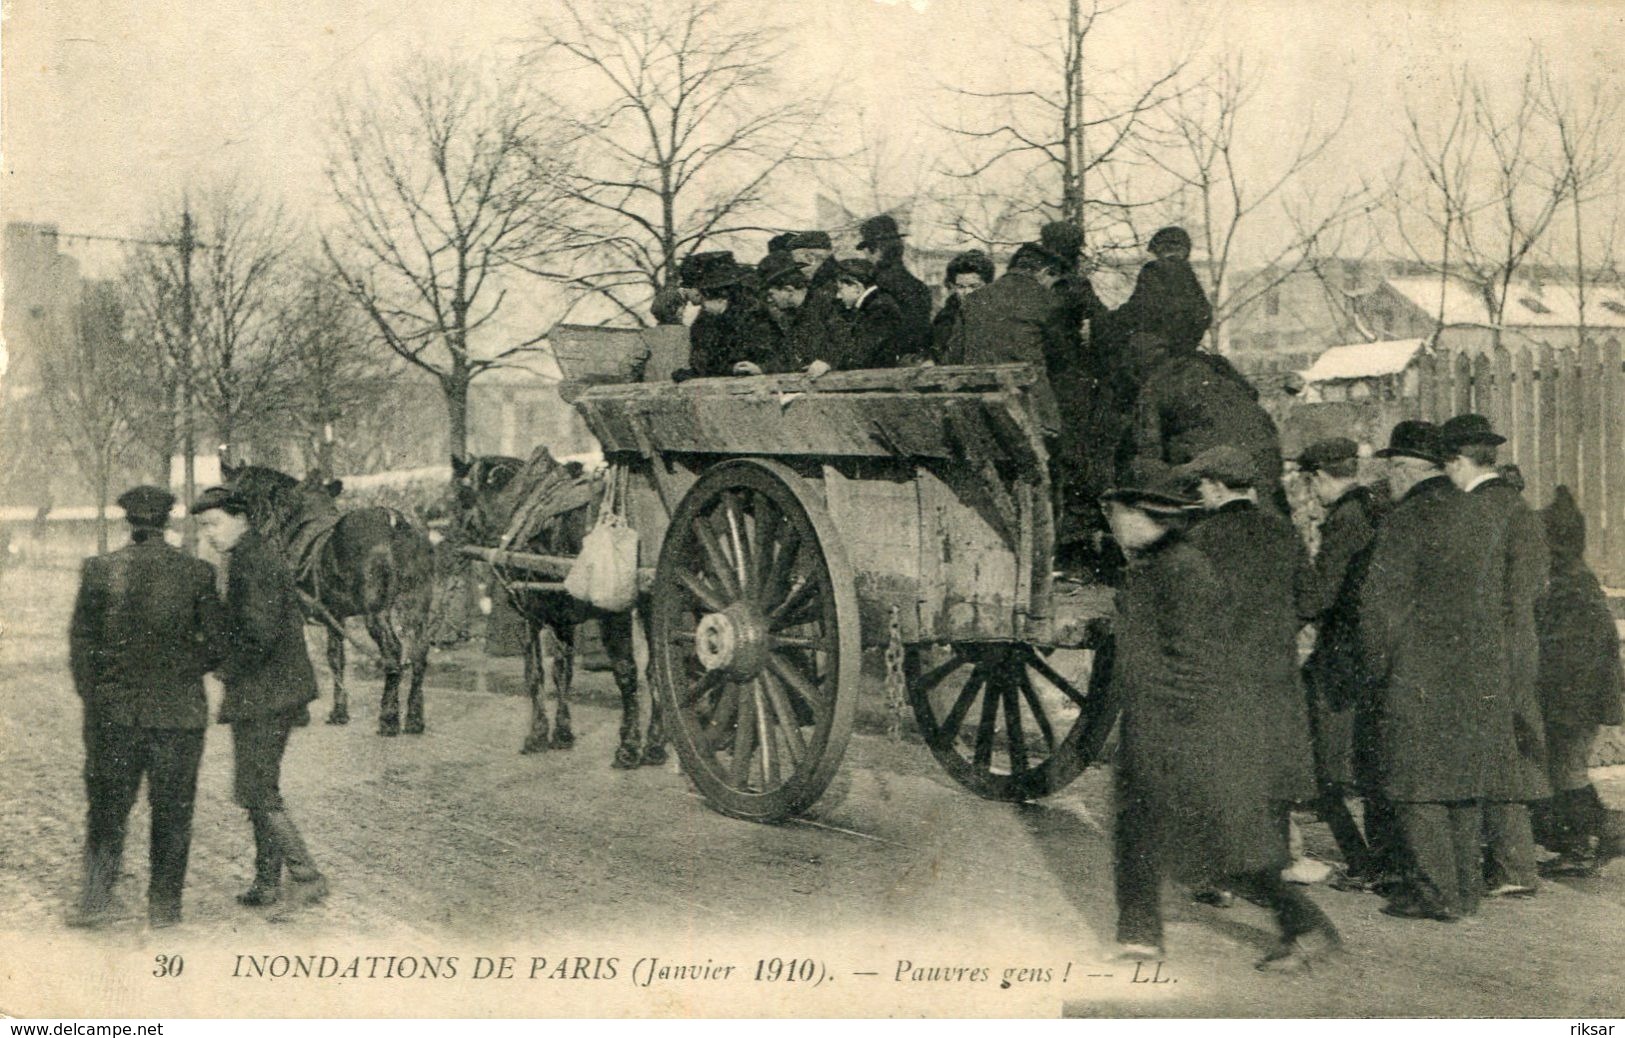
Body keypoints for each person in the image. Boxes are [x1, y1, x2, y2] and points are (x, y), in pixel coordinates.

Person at [1105, 461, 1340, 973]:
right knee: (1162, 834)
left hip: (1185, 727)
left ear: (1152, 516)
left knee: (1220, 847)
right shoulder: (1161, 563)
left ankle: (1304, 926)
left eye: (1122, 511)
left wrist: (1176, 729)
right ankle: (1140, 937)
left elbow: (1196, 658)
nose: (1114, 521)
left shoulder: (1185, 565)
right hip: (1201, 714)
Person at [1360, 421, 1509, 921]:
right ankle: (1465, 890)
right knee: (1461, 783)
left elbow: (1380, 606)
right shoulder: (1480, 512)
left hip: (1417, 668)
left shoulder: (1407, 520)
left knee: (1415, 781)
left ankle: (1435, 892)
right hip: (1478, 666)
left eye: (1392, 468)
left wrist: (1376, 667)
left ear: (1405, 470)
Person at [67, 486, 223, 928]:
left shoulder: (99, 571)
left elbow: (81, 648)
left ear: (128, 522)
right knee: (174, 812)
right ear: (169, 522)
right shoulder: (198, 574)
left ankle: (96, 901)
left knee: (106, 809)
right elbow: (217, 647)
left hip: (114, 718)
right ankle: (164, 909)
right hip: (178, 717)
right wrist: (180, 670)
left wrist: (98, 700)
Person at [192, 485, 328, 909]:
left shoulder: (254, 561)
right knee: (258, 788)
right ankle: (268, 883)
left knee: (257, 790)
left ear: (241, 517)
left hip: (268, 693)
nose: (209, 534)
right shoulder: (248, 555)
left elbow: (258, 633)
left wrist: (223, 667)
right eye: (202, 527)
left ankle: (305, 875)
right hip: (269, 690)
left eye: (214, 523)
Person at [1439, 413, 1550, 898]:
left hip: (1488, 649)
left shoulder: (1478, 510)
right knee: (1506, 750)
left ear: (1459, 461)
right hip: (1517, 645)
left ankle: (1511, 867)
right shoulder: (1515, 505)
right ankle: (1514, 864)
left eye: (1447, 465)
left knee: (1493, 754)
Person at [1292, 438, 1401, 890]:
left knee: (1324, 765)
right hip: (1370, 655)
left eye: (1310, 484)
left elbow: (1320, 595)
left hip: (1342, 659)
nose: (1311, 496)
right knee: (1369, 761)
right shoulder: (1374, 509)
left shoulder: (1346, 520)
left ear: (1318, 477)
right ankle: (1383, 859)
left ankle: (1364, 861)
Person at [1531, 486, 1625, 875]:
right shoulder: (1574, 580)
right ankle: (1599, 836)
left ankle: (1591, 841)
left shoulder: (1568, 586)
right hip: (1581, 697)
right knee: (1564, 770)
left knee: (1565, 771)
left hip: (1573, 699)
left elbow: (1568, 655)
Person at [946, 241, 1068, 436]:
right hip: (1030, 412)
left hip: (979, 407)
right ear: (1045, 272)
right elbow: (1062, 358)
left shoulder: (972, 300)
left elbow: (954, 356)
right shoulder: (1048, 300)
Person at [1097, 226, 1212, 354]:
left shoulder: (1153, 269)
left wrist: (1110, 319)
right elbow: (1205, 313)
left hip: (1156, 341)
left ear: (1160, 249)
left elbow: (1140, 306)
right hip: (1184, 345)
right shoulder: (1188, 274)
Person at [680, 253, 780, 379]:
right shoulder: (706, 319)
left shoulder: (755, 314)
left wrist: (762, 368)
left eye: (691, 286)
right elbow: (703, 362)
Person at [856, 214, 932, 361]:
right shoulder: (918, 286)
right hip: (913, 365)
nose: (865, 256)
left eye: (866, 249)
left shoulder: (874, 287)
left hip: (878, 368)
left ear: (876, 250)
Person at [824, 258, 906, 371]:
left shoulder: (880, 309)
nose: (838, 296)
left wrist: (829, 364)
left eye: (840, 289)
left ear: (857, 288)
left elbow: (862, 354)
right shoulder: (876, 304)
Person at [930, 249, 995, 363]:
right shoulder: (945, 319)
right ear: (953, 286)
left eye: (974, 286)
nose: (967, 292)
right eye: (961, 287)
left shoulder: (999, 315)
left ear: (988, 285)